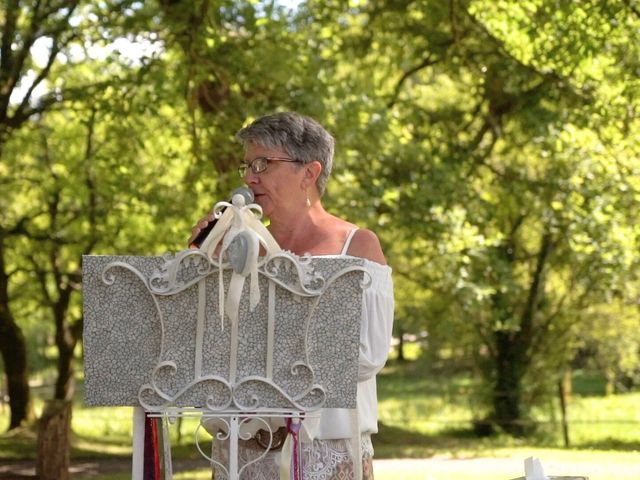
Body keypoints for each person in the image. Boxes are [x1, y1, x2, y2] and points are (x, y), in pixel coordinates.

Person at [188, 112, 394, 480]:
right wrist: (202, 264)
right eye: (248, 166)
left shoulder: (357, 247)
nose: (250, 178)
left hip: (323, 452)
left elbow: (365, 356)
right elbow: (201, 350)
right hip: (238, 451)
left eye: (264, 164)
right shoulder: (235, 248)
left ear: (309, 173)